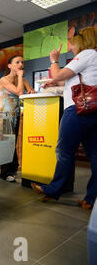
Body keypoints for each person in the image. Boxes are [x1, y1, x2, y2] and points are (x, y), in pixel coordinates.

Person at [31, 27, 97, 210]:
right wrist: (56, 80)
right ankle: (90, 199)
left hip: (77, 110)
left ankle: (53, 190)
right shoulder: (94, 57)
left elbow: (58, 75)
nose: (70, 46)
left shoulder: (87, 54)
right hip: (93, 111)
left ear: (81, 42)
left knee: (64, 151)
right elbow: (64, 80)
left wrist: (54, 60)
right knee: (95, 155)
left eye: (72, 42)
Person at [0, 55, 35, 182]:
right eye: (17, 62)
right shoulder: (4, 80)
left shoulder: (22, 80)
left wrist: (31, 91)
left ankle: (13, 169)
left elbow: (30, 92)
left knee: (13, 142)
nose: (20, 64)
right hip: (5, 115)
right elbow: (19, 92)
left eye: (22, 62)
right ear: (9, 66)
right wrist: (19, 77)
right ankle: (5, 173)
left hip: (16, 114)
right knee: (7, 143)